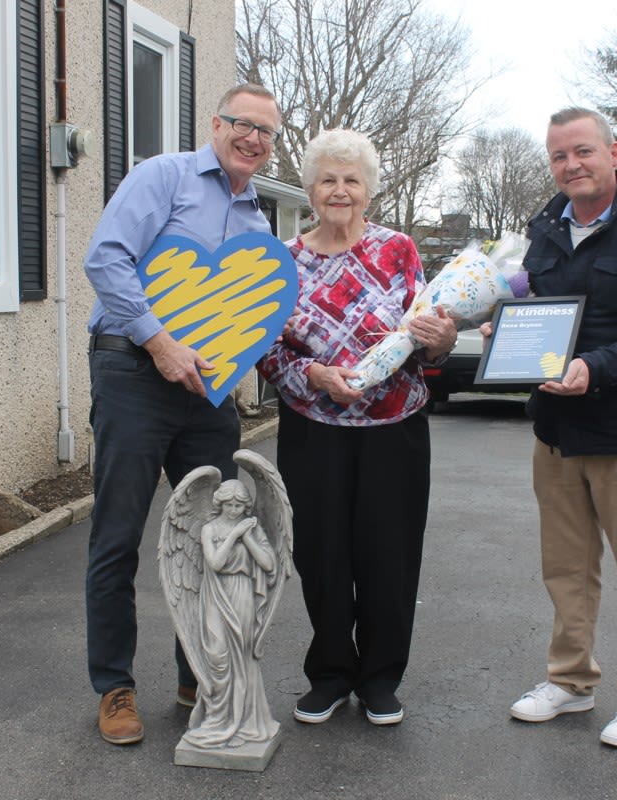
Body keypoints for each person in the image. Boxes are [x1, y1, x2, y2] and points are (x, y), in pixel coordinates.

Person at [82, 83, 281, 745]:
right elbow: (105, 259)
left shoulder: (258, 223)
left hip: (208, 396)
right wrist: (160, 343)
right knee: (117, 536)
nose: (253, 139)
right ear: (216, 124)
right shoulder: (162, 177)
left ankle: (200, 673)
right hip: (134, 373)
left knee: (210, 539)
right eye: (242, 125)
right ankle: (114, 688)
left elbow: (253, 315)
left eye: (266, 133)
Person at [495, 107, 617, 749]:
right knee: (567, 568)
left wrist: (592, 368)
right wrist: (505, 331)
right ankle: (571, 682)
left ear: (614, 152)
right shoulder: (544, 228)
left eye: (582, 151)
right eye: (559, 157)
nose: (571, 165)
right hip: (556, 433)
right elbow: (533, 308)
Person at [257, 129, 457, 727]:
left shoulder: (399, 250)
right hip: (313, 428)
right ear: (310, 189)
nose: (339, 190)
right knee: (320, 554)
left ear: (368, 189)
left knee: (388, 555)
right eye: (327, 179)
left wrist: (442, 342)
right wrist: (313, 374)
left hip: (393, 427)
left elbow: (427, 333)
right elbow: (265, 350)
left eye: (351, 180)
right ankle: (330, 674)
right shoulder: (284, 260)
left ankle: (379, 679)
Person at [186, 481, 277, 748]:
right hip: (215, 595)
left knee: (242, 654)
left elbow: (269, 563)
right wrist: (235, 535)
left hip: (242, 592)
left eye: (240, 505)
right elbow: (215, 563)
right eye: (230, 505)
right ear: (220, 504)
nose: (235, 509)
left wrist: (247, 537)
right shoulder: (209, 528)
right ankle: (217, 718)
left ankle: (243, 721)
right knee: (216, 655)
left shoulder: (251, 528)